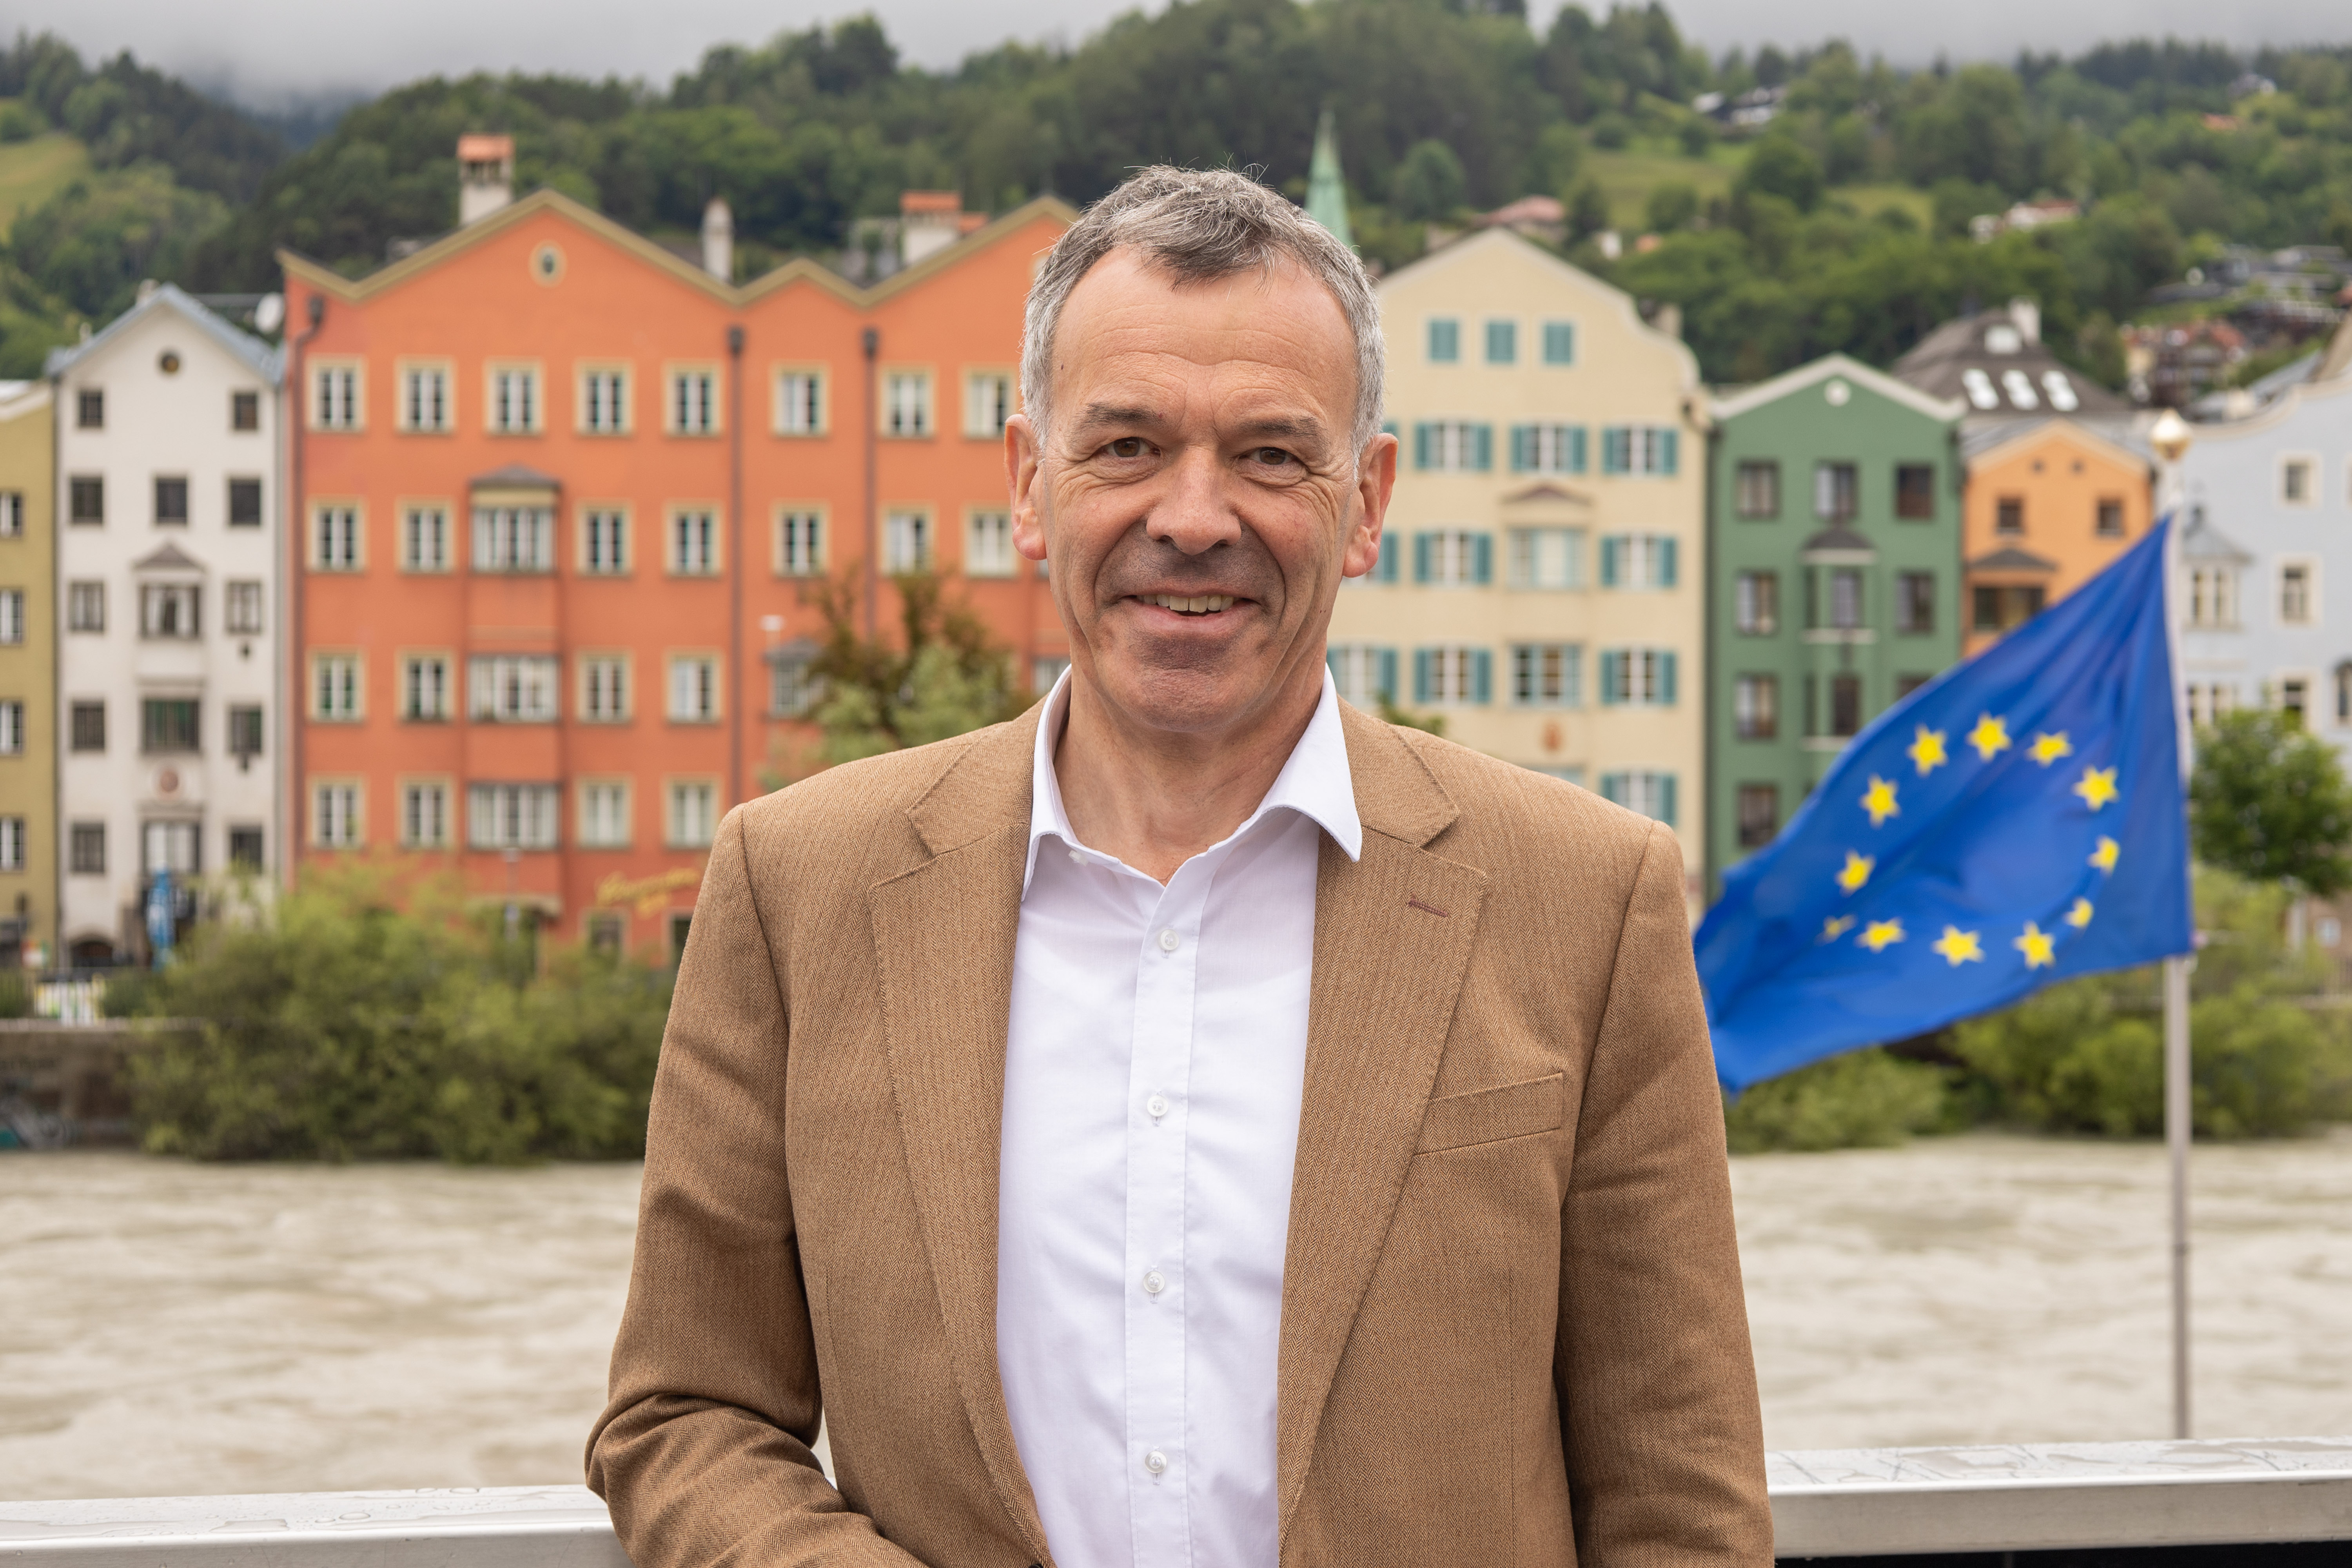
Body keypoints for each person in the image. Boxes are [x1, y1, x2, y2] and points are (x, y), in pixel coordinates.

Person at [588, 166, 1769, 1568]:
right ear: (1032, 486)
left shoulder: (1589, 898)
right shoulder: (798, 888)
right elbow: (684, 1412)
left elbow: (1679, 1505)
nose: (1194, 517)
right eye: (1128, 447)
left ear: (1367, 500)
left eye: (1272, 455)